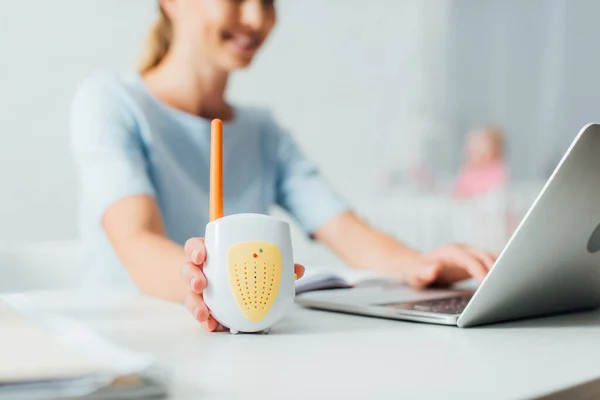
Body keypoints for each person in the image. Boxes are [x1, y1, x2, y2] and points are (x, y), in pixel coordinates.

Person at [70, 0, 496, 332]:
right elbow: (136, 243)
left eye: (269, 0)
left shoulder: (262, 131)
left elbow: (344, 229)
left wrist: (422, 265)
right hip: (126, 340)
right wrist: (212, 288)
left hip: (235, 346)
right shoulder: (110, 102)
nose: (257, 17)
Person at [454, 125, 508, 198]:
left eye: (479, 148)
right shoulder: (467, 170)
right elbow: (457, 193)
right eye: (471, 149)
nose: (474, 151)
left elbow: (494, 191)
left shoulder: (496, 170)